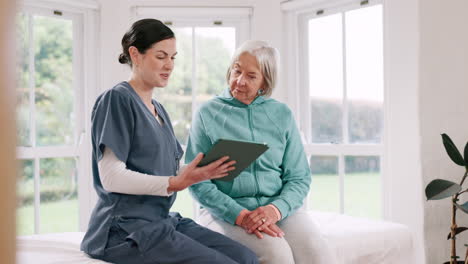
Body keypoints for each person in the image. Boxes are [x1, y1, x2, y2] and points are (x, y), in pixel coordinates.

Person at [80, 19, 259, 264]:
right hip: (123, 231)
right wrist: (175, 182)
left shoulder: (159, 110)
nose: (170, 65)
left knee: (246, 257)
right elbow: (111, 177)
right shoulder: (117, 99)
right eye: (161, 56)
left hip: (162, 220)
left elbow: (166, 170)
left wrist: (203, 171)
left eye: (173, 58)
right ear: (135, 54)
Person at [185, 40, 337, 264]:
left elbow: (299, 177)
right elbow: (197, 181)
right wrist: (240, 215)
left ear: (265, 82)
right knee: (277, 254)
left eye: (251, 76)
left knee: (317, 251)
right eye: (237, 70)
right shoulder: (207, 113)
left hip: (276, 207)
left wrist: (276, 210)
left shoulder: (281, 114)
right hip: (224, 211)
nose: (239, 81)